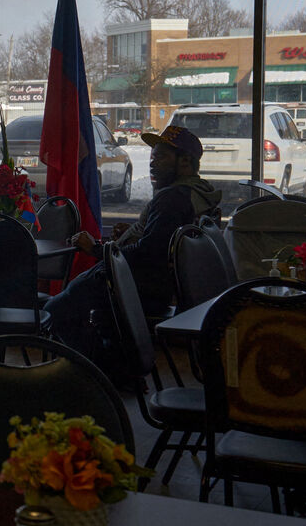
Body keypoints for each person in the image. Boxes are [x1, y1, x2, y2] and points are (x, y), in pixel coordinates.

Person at [45, 125, 222, 364]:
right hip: (153, 284)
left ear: (185, 162)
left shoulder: (172, 198)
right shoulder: (198, 192)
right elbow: (160, 240)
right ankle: (117, 369)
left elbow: (150, 253)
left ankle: (102, 372)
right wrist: (130, 234)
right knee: (88, 312)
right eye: (152, 155)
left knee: (56, 310)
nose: (152, 161)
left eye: (161, 156)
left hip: (133, 283)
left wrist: (97, 250)